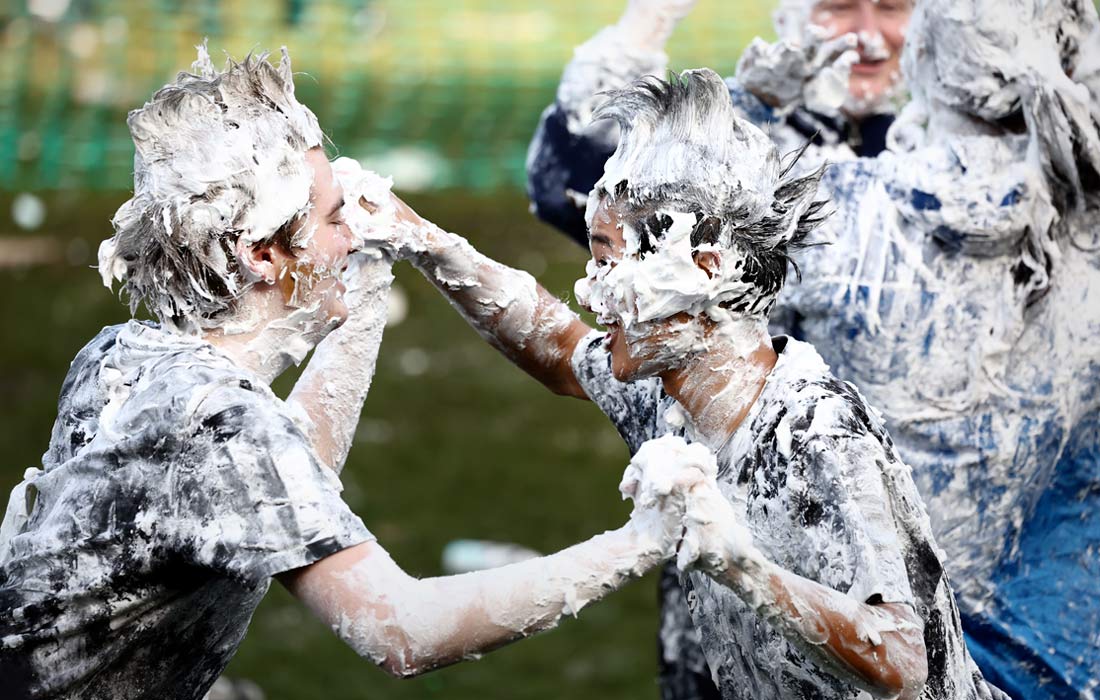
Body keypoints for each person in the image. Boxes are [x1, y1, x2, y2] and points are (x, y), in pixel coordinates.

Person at [0, 47, 703, 699]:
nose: (353, 229)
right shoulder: (219, 423)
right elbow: (403, 631)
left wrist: (361, 289)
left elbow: (290, 482)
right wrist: (641, 541)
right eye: (336, 218)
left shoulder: (121, 355)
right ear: (264, 256)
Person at [377, 67, 1003, 700]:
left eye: (605, 257)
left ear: (704, 267)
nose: (588, 288)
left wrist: (741, 566)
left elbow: (900, 656)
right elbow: (561, 350)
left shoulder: (816, 430)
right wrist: (422, 240)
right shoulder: (672, 397)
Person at [767, 1, 1100, 696]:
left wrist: (758, 102)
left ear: (920, 61)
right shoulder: (1087, 225)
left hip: (863, 661)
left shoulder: (829, 209)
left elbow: (637, 217)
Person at [526, 0, 912, 247]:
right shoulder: (732, 139)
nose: (868, 35)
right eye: (839, 6)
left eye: (891, 7)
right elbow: (564, 186)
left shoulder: (936, 146)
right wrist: (651, 17)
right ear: (787, 19)